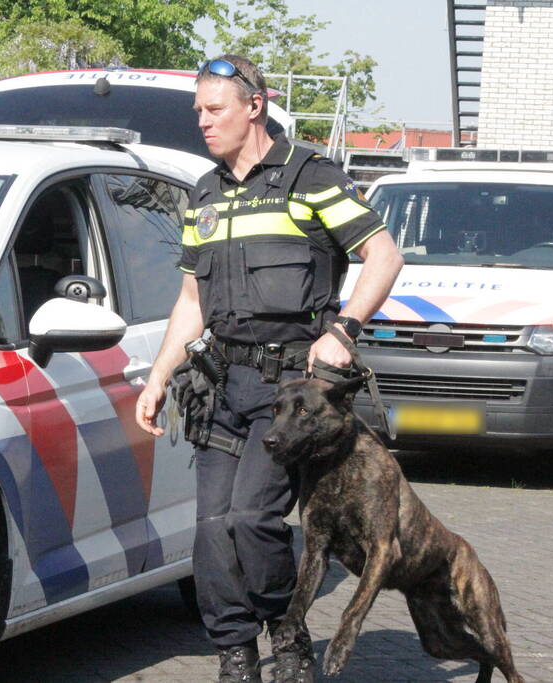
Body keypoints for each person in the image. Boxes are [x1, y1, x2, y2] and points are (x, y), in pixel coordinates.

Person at [135, 55, 403, 683]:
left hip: (289, 392)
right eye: (198, 110)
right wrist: (155, 378)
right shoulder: (203, 192)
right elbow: (191, 302)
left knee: (251, 519)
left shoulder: (311, 177)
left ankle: (287, 634)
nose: (203, 121)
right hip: (222, 386)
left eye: (215, 108)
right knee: (209, 530)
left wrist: (344, 331)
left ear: (254, 105)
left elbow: (383, 255)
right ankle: (236, 654)